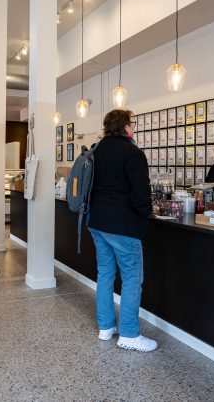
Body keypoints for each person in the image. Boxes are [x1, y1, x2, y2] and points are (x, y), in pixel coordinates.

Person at [86, 109, 156, 352]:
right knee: (132, 277)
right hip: (123, 225)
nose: (133, 127)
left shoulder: (96, 150)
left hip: (96, 221)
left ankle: (106, 327)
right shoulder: (133, 153)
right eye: (132, 124)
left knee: (105, 274)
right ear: (126, 127)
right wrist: (146, 212)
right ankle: (129, 333)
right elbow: (141, 194)